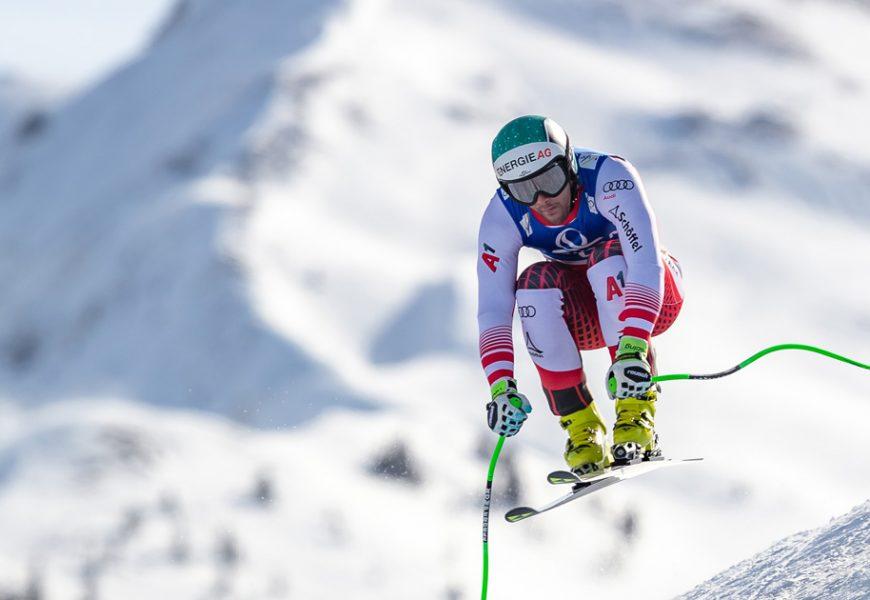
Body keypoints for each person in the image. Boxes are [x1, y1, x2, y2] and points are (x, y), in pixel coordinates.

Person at [478, 115, 685, 474]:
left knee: (605, 256)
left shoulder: (609, 177)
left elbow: (645, 263)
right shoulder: (502, 214)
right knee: (533, 283)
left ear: (569, 163)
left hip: (650, 297)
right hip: (587, 315)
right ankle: (582, 431)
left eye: (550, 180)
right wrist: (500, 387)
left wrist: (633, 345)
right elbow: (493, 308)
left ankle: (636, 412)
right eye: (524, 190)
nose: (541, 199)